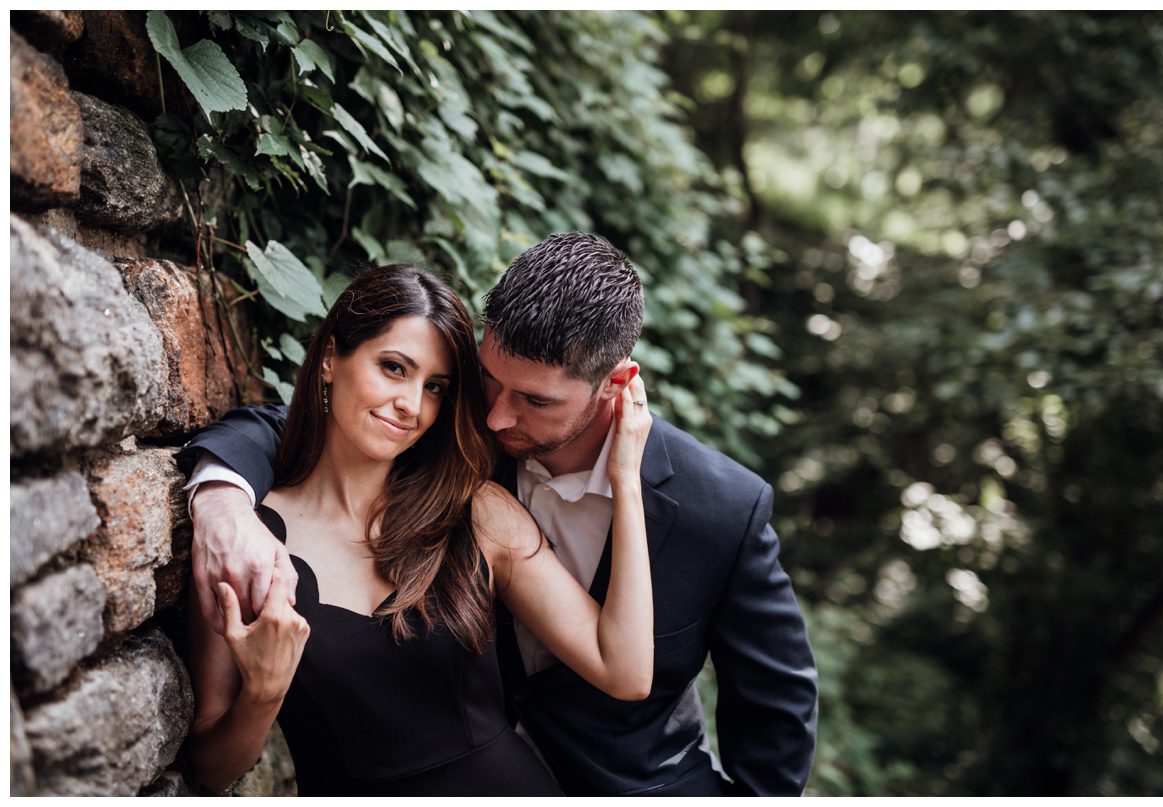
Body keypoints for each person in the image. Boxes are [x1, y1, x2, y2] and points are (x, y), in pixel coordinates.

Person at [178, 232, 819, 796]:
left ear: (614, 386)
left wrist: (625, 480)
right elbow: (307, 432)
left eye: (534, 400)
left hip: (625, 783)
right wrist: (221, 496)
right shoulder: (447, 451)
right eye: (483, 382)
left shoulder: (721, 508)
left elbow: (769, 706)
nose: (495, 418)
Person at [183, 264, 654, 795]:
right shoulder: (244, 542)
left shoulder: (476, 514)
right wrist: (264, 694)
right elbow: (208, 769)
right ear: (330, 360)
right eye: (392, 367)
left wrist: (625, 481)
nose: (411, 405)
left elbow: (626, 672)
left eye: (435, 387)